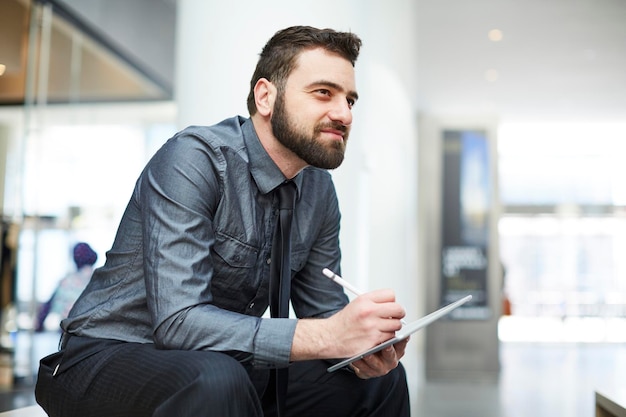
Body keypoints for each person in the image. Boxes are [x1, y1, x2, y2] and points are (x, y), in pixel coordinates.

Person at [35, 26, 410, 417]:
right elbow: (178, 323)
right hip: (103, 356)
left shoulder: (318, 191)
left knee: (379, 382)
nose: (344, 114)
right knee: (217, 380)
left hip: (220, 362)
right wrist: (331, 335)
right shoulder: (193, 159)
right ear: (266, 96)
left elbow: (324, 318)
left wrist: (360, 347)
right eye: (323, 93)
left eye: (350, 100)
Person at [35, 242, 97, 332]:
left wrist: (39, 326)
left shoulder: (67, 281)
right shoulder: (99, 279)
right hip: (93, 331)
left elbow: (48, 305)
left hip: (69, 331)